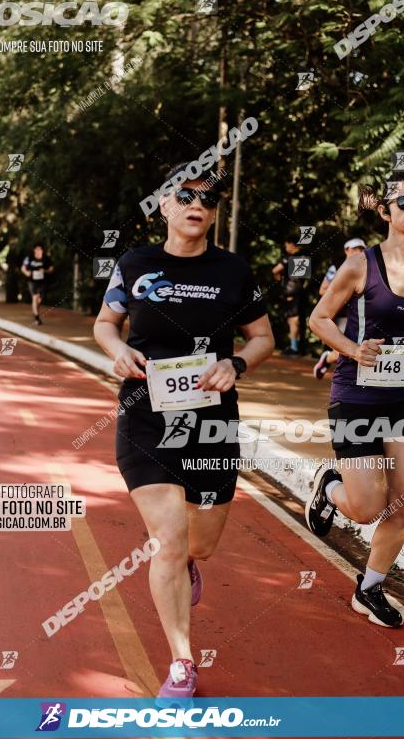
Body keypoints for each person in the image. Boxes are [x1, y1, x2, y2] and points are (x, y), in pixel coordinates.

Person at [93, 163, 274, 697]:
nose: (199, 204)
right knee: (166, 542)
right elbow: (106, 322)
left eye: (209, 199)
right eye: (187, 195)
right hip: (145, 414)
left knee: (202, 542)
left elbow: (262, 337)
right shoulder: (136, 263)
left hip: (211, 419)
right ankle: (182, 661)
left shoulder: (234, 271)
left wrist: (236, 366)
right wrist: (119, 349)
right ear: (165, 205)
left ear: (215, 212)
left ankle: (191, 562)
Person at [305, 172, 404, 628]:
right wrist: (351, 348)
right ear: (385, 211)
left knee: (403, 502)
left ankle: (369, 588)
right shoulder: (359, 266)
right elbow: (319, 318)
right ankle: (330, 485)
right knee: (368, 507)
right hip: (356, 397)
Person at [313, 238, 367, 379]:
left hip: (361, 316)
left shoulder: (368, 268)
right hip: (342, 315)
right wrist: (343, 295)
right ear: (346, 250)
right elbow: (322, 289)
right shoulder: (336, 267)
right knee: (344, 351)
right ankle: (329, 360)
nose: (358, 252)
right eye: (354, 249)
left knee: (359, 349)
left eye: (361, 249)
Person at [272, 234, 309, 355]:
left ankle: (294, 347)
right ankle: (298, 346)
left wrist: (279, 280)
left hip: (292, 293)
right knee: (296, 320)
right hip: (300, 293)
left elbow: (275, 270)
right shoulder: (305, 257)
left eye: (286, 245)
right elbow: (302, 279)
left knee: (293, 320)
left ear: (291, 244)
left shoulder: (290, 258)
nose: (286, 248)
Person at [21, 244, 53, 325]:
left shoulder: (46, 258)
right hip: (32, 281)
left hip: (42, 281)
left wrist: (45, 271)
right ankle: (37, 317)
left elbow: (51, 269)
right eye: (37, 249)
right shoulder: (29, 258)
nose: (39, 251)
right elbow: (23, 268)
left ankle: (36, 313)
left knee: (39, 300)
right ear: (34, 250)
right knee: (35, 297)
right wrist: (26, 272)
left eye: (40, 249)